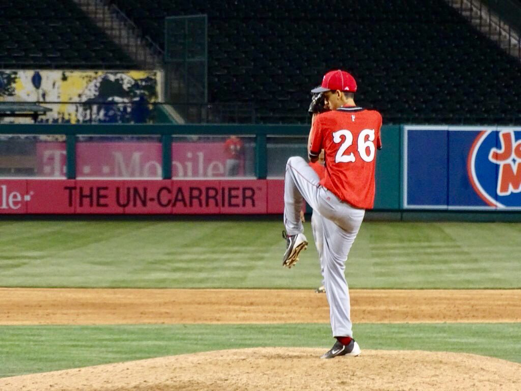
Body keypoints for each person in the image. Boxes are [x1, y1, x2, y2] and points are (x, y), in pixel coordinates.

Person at [281, 69, 382, 359]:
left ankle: (292, 233)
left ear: (339, 94)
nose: (323, 100)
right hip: (357, 213)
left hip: (331, 200)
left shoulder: (325, 119)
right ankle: (346, 341)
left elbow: (312, 157)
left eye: (326, 95)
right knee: (336, 270)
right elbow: (361, 150)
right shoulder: (374, 117)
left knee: (292, 164)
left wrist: (316, 118)